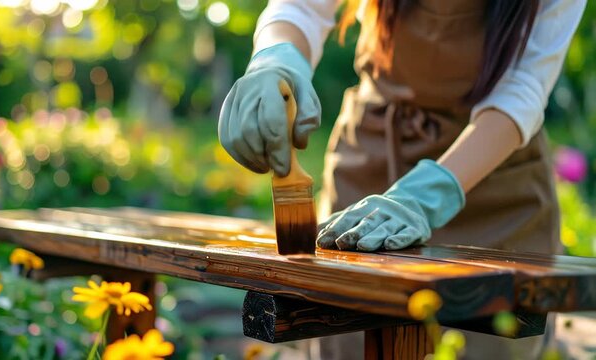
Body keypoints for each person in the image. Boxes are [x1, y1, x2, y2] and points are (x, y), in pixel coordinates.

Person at [218, 0, 586, 359]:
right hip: (374, 155)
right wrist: (275, 61)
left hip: (494, 175)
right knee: (344, 338)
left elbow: (524, 88)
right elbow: (302, 9)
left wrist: (429, 194)